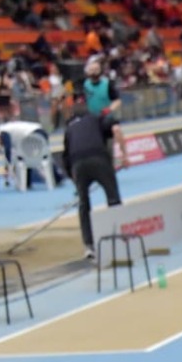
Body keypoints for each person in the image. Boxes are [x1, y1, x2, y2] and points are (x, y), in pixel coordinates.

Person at [62, 91, 121, 260]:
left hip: (78, 164)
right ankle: (118, 235)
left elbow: (66, 156)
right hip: (98, 158)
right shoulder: (95, 119)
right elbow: (111, 128)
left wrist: (74, 179)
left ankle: (89, 245)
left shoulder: (69, 128)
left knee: (84, 204)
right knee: (113, 197)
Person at [80, 57, 130, 166]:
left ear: (100, 71)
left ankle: (125, 156)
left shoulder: (107, 84)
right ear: (87, 71)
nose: (94, 72)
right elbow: (79, 100)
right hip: (92, 118)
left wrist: (109, 109)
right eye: (91, 70)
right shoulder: (84, 85)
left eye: (96, 69)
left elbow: (117, 101)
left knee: (116, 129)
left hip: (107, 117)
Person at [0, 117, 64, 189]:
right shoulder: (10, 131)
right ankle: (56, 177)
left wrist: (9, 165)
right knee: (39, 158)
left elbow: (8, 148)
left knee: (31, 158)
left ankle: (55, 177)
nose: (1, 144)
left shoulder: (3, 131)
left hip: (35, 133)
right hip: (40, 132)